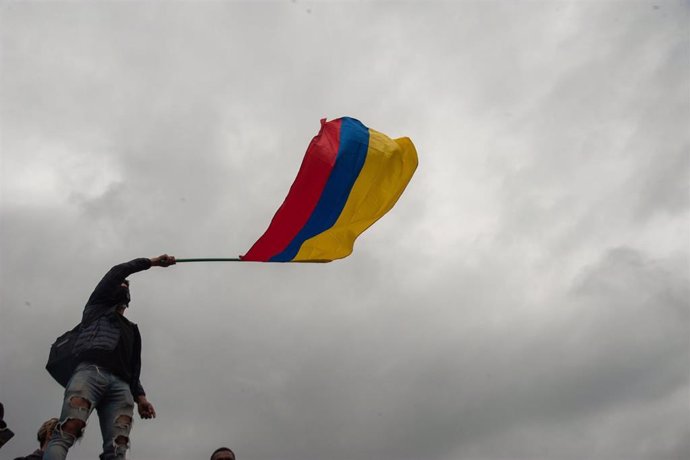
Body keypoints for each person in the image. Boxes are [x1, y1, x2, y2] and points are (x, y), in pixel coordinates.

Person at [43, 255, 176, 460]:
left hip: (121, 387)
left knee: (117, 447)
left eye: (125, 285)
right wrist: (153, 262)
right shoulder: (95, 309)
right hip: (90, 373)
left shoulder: (132, 330)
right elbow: (117, 271)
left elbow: (133, 368)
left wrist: (141, 398)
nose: (122, 285)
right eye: (120, 284)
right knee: (69, 428)